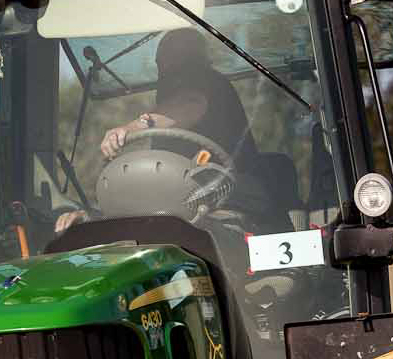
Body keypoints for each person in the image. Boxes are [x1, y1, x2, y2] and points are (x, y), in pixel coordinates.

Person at [59, 29, 257, 232]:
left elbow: (189, 105)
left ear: (200, 62)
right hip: (178, 210)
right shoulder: (169, 143)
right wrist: (95, 216)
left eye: (178, 63)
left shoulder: (211, 85)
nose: (166, 71)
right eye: (162, 64)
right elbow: (159, 190)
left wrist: (132, 128)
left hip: (230, 203)